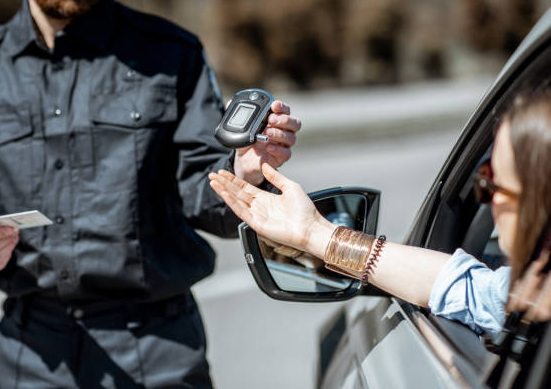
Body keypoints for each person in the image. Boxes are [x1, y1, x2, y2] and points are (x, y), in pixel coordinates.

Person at [0, 0, 301, 387]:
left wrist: (244, 173)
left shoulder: (170, 52)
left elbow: (207, 197)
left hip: (157, 349)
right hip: (31, 353)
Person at [209, 90, 551, 335]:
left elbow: (462, 288)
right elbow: (467, 287)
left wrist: (316, 235)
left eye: (492, 184)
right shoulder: (527, 297)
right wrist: (314, 234)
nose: (487, 201)